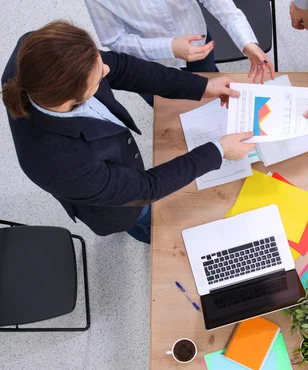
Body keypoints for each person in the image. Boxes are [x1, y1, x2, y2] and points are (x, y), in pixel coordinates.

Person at [1, 21, 256, 244]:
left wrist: (202, 86)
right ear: (70, 99)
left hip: (113, 167)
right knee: (145, 220)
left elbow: (123, 67)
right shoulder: (59, 164)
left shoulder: (39, 50)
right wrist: (219, 150)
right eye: (98, 75)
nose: (107, 69)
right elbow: (147, 188)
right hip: (116, 207)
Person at [85, 0, 275, 105]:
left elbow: (221, 5)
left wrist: (246, 42)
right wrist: (169, 47)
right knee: (171, 114)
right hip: (148, 66)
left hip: (199, 46)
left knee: (214, 100)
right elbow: (115, 39)